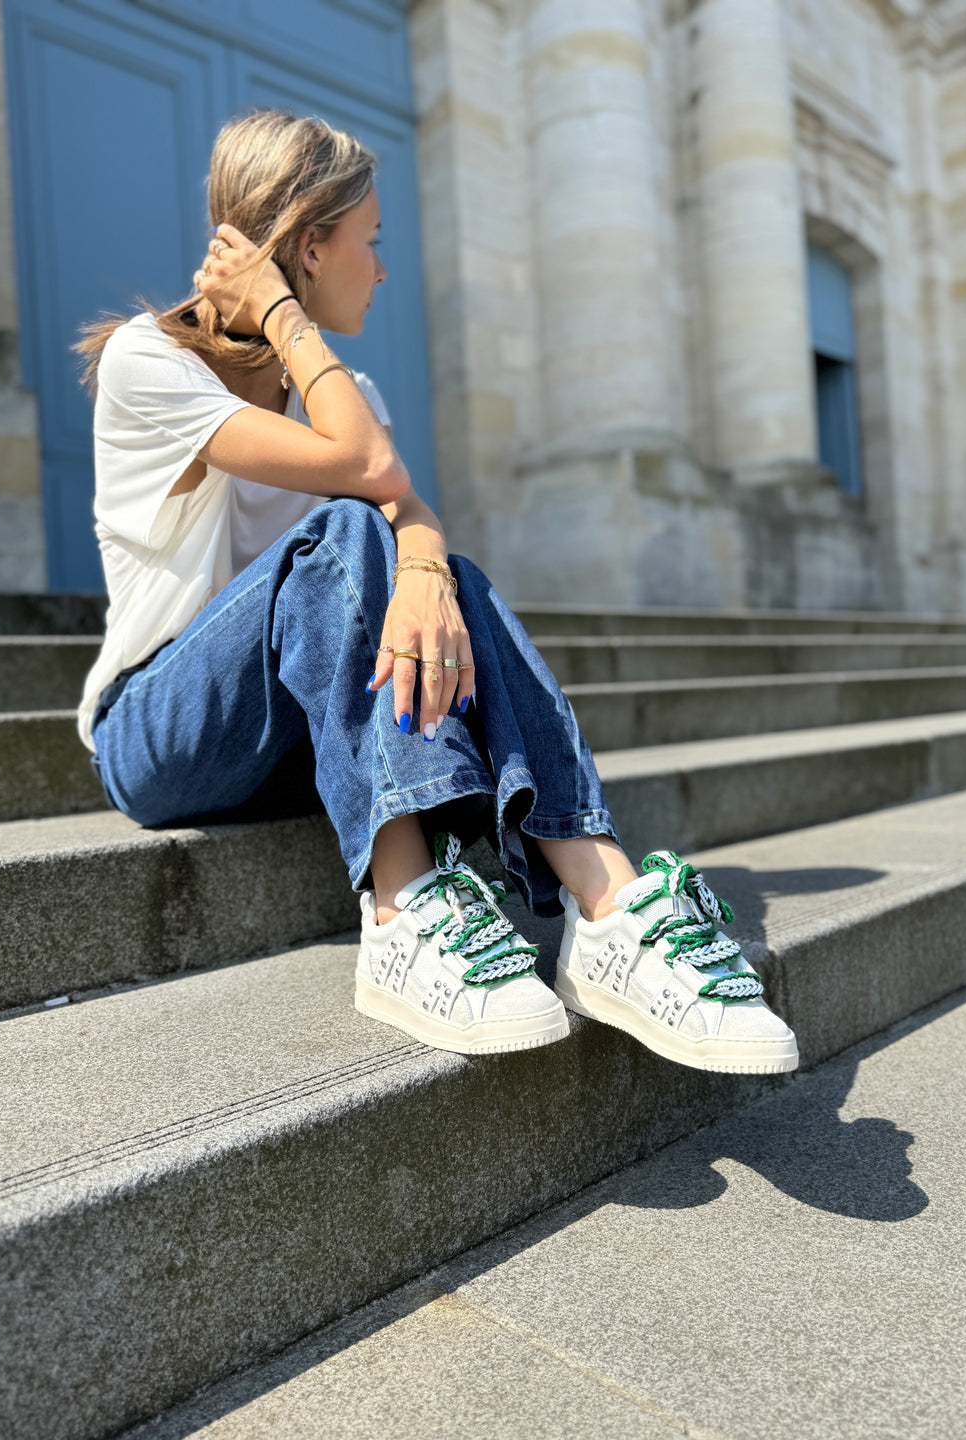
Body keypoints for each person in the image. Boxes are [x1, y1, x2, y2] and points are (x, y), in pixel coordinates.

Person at [74, 109, 797, 1074]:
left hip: (298, 728)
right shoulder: (147, 363)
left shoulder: (344, 387)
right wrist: (285, 318)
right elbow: (365, 469)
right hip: (163, 735)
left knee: (441, 574)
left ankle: (610, 906)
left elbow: (410, 507)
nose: (381, 269)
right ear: (308, 246)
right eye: (368, 243)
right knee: (344, 533)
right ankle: (403, 914)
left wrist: (423, 569)